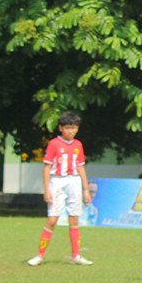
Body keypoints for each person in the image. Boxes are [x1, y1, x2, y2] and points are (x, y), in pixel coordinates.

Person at [26, 111, 94, 266]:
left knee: (74, 218)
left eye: (74, 127)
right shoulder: (54, 144)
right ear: (61, 128)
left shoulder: (78, 145)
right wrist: (47, 189)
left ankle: (75, 255)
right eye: (68, 128)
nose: (71, 131)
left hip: (74, 181)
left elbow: (81, 167)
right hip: (57, 182)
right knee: (52, 219)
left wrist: (85, 189)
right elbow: (47, 167)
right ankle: (40, 255)